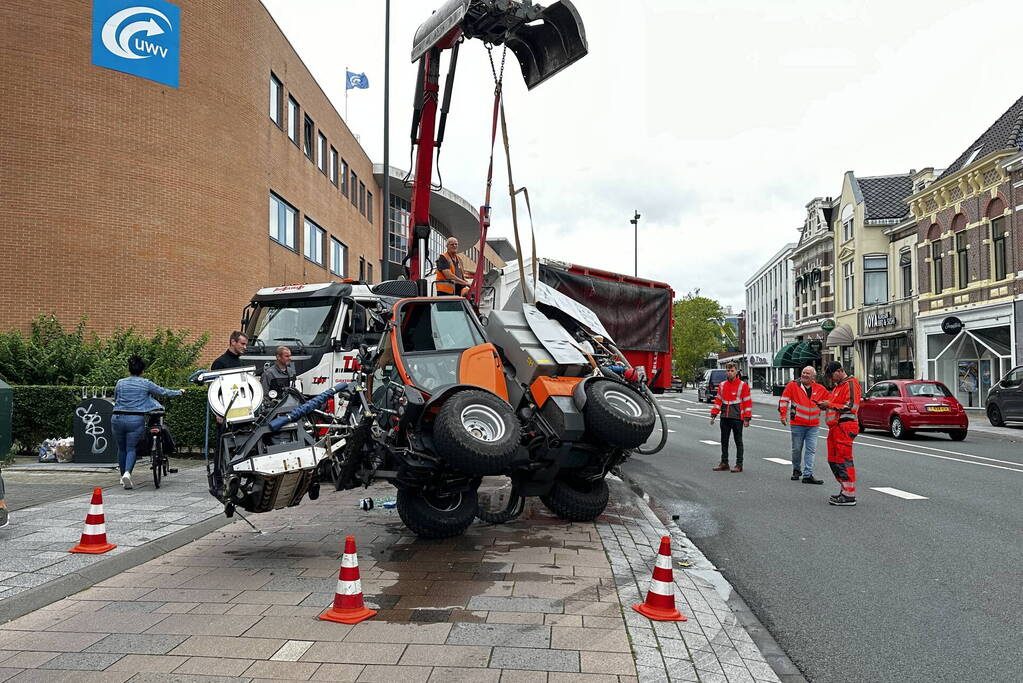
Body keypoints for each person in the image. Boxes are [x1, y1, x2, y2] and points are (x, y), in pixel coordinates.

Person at [112, 355, 183, 489]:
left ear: (129, 369)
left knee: (121, 449)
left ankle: (122, 477)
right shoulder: (145, 383)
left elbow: (116, 398)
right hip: (135, 419)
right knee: (131, 448)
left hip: (117, 418)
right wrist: (179, 392)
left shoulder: (120, 382)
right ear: (142, 371)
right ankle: (128, 473)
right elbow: (163, 392)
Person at [778, 366, 830, 484]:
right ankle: (796, 470)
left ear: (813, 377)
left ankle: (808, 474)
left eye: (808, 373)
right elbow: (784, 400)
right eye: (803, 372)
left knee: (811, 450)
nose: (805, 375)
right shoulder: (792, 386)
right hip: (798, 424)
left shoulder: (820, 388)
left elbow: (830, 401)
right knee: (797, 449)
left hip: (813, 426)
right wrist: (782, 415)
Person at [820, 361, 861, 506]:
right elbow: (836, 405)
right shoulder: (838, 387)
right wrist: (826, 404)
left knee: (844, 459)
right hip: (836, 428)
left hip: (845, 426)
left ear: (839, 371)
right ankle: (845, 490)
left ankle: (849, 495)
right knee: (834, 459)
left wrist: (829, 404)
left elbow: (851, 407)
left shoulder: (850, 384)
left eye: (832, 376)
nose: (831, 379)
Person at [709, 362, 752, 472]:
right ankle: (724, 462)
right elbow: (718, 400)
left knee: (738, 441)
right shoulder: (722, 385)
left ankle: (739, 464)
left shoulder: (743, 385)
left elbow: (747, 402)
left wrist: (747, 418)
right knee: (724, 440)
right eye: (728, 371)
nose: (730, 373)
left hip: (737, 417)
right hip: (724, 416)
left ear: (736, 371)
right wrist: (713, 414)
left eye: (732, 370)